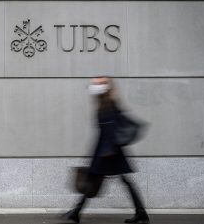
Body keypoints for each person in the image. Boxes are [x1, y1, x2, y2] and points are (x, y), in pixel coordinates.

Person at [63, 76, 149, 224]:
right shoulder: (103, 104)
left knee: (94, 179)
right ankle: (141, 214)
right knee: (113, 180)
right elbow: (103, 133)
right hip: (107, 151)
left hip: (109, 152)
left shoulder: (109, 105)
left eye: (99, 83)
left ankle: (76, 212)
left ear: (107, 87)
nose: (95, 85)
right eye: (95, 83)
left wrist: (105, 150)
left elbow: (111, 130)